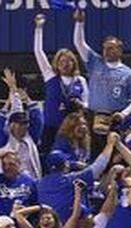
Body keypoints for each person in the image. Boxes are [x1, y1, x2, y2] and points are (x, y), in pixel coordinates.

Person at [72, 9, 131, 150]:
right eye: (105, 48)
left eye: (111, 48)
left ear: (120, 50)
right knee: (94, 152)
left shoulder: (129, 74)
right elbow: (79, 43)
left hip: (115, 118)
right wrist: (79, 23)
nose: (107, 51)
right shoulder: (95, 62)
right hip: (93, 115)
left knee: (115, 151)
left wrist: (123, 114)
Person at [32, 13, 87, 151]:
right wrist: (39, 28)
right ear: (56, 64)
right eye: (62, 61)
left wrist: (81, 104)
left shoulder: (80, 80)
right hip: (51, 127)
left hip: (73, 129)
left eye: (69, 61)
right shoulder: (50, 76)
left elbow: (88, 103)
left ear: (74, 63)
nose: (65, 64)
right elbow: (38, 51)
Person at [38, 133, 117, 222]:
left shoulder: (40, 183)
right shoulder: (69, 180)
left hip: (49, 227)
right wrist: (110, 145)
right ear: (66, 165)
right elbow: (99, 167)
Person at [0, 72, 44, 180]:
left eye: (25, 123)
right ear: (11, 125)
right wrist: (9, 98)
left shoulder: (30, 137)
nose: (23, 126)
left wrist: (21, 94)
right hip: (13, 184)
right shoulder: (3, 141)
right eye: (20, 124)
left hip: (33, 180)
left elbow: (38, 118)